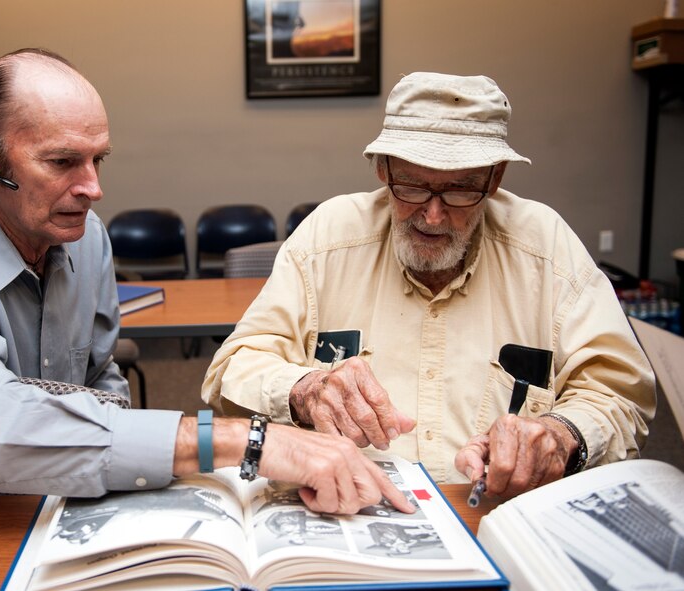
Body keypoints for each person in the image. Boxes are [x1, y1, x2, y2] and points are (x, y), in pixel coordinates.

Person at [0, 48, 412, 515]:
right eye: (61, 161)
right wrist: (241, 439)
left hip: (57, 505)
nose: (93, 187)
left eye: (98, 159)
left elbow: (101, 377)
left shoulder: (88, 237)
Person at [202, 72, 656, 500]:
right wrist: (303, 389)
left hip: (497, 515)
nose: (433, 216)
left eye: (460, 190)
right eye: (413, 187)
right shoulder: (327, 239)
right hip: (346, 509)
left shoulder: (545, 248)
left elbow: (619, 393)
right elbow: (231, 370)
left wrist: (562, 434)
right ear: (383, 170)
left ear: (495, 178)